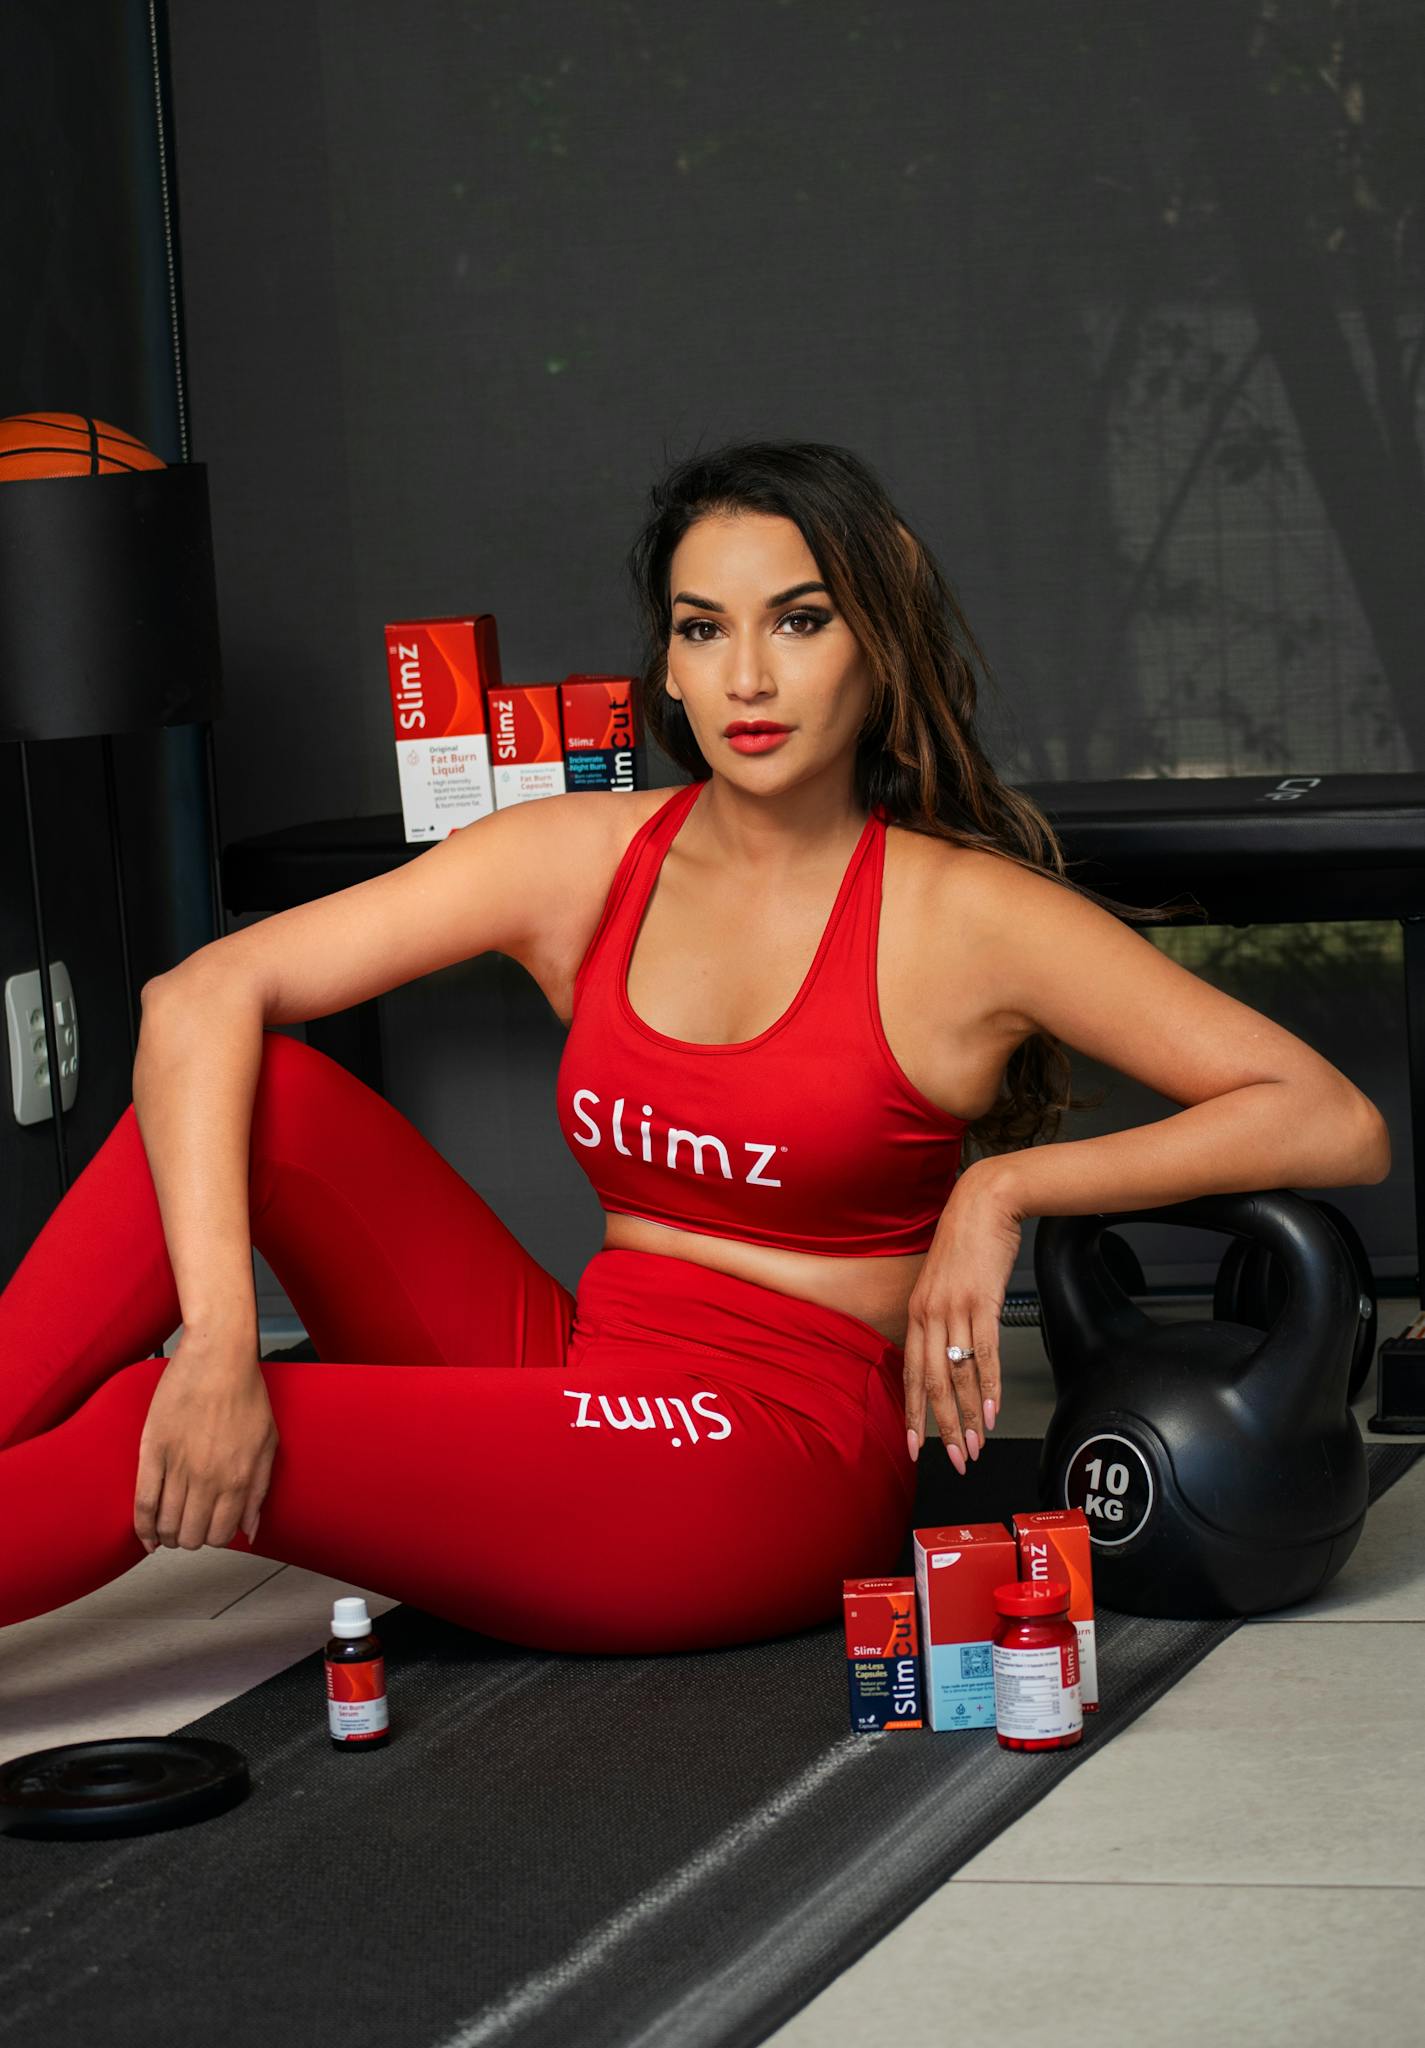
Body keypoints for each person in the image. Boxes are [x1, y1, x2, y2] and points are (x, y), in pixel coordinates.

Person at [0, 440, 1390, 1653]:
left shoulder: (966, 918)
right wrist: (222, 1340)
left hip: (772, 1454)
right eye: (703, 628)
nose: (748, 677)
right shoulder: (584, 862)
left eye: (799, 621)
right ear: (665, 662)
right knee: (274, 1107)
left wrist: (1003, 1187)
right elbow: (200, 996)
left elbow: (1329, 1116)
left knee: (143, 1425)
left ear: (876, 643)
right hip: (580, 1366)